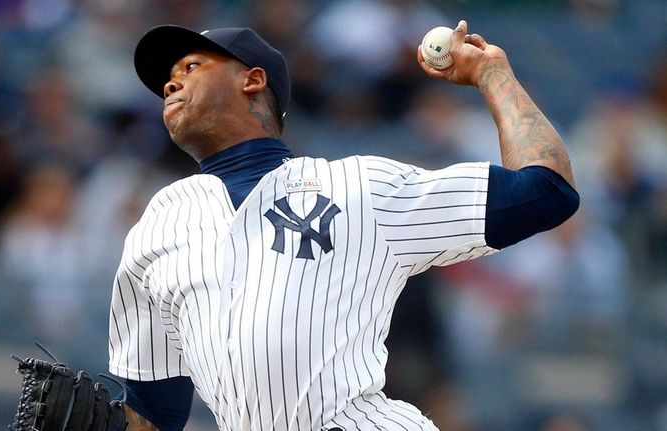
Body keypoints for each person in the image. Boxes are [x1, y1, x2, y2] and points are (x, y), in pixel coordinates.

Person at [108, 20, 579, 431]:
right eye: (167, 80)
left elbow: (545, 190)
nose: (170, 85)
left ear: (252, 80)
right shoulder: (158, 225)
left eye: (189, 67)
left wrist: (492, 72)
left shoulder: (358, 185)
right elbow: (155, 411)